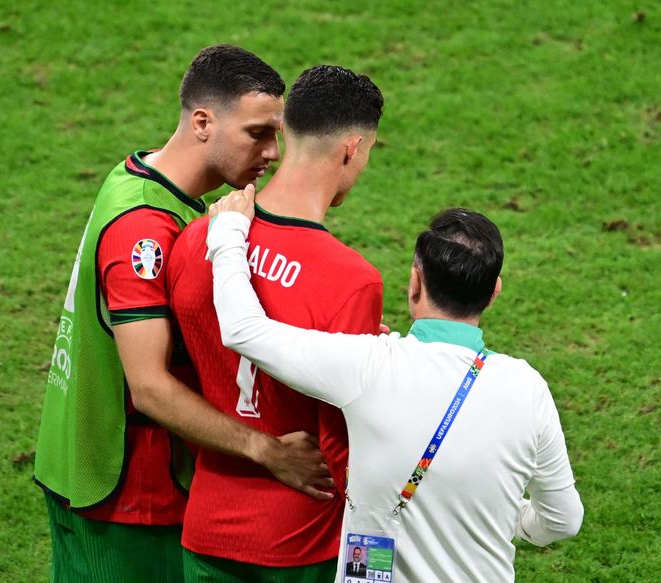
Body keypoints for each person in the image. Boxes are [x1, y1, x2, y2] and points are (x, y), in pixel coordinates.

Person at [33, 45, 330, 583]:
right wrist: (266, 451)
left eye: (277, 136)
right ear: (202, 123)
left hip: (113, 469)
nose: (272, 153)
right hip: (125, 493)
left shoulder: (151, 179)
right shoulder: (144, 231)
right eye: (258, 133)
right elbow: (148, 386)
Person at [206, 190, 585, 583]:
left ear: (415, 281)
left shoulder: (368, 365)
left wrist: (228, 231)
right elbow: (563, 520)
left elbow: (244, 330)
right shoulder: (528, 388)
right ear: (494, 292)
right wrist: (511, 517)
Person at [166, 65, 385, 581]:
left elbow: (176, 377)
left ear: (284, 130)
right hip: (304, 541)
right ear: (351, 149)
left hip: (206, 530)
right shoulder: (353, 282)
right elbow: (344, 441)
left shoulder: (197, 239)